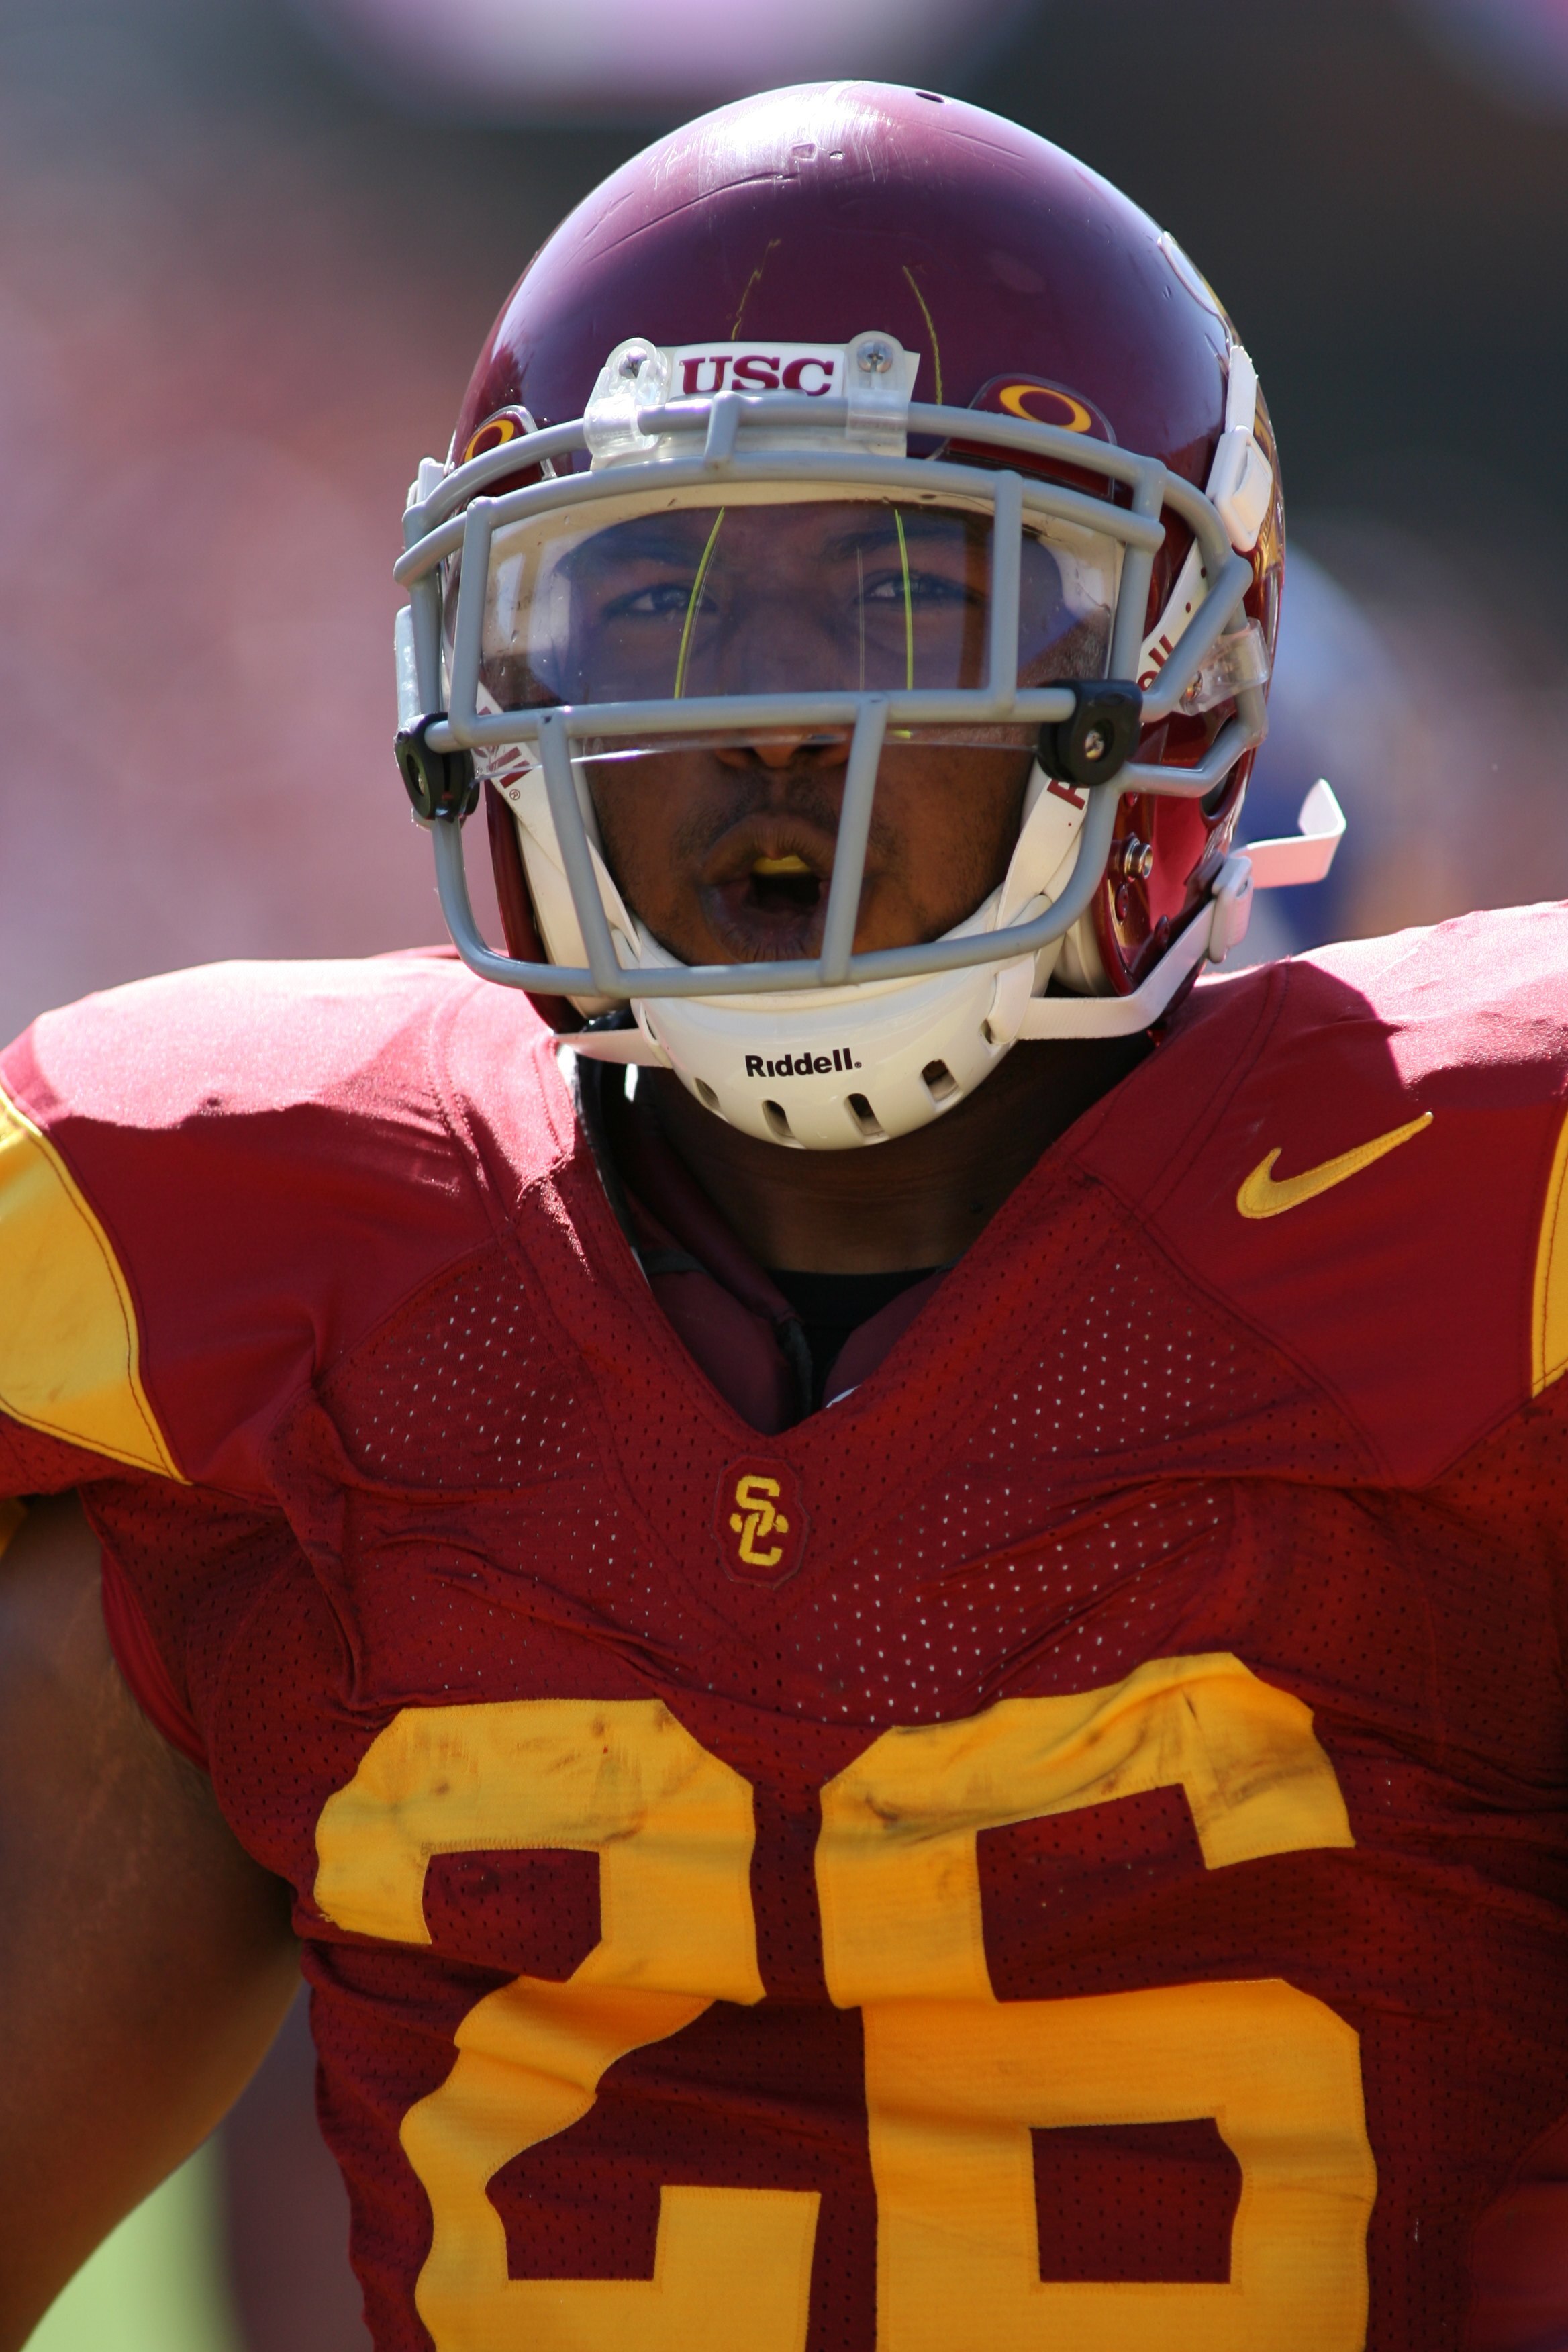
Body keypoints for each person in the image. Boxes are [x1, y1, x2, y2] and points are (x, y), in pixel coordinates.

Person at [1, 78, 1563, 2352]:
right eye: (657, 599)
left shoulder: (1488, 1211)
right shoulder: (240, 1263)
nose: (770, 714)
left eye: (907, 594)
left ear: (1180, 675)